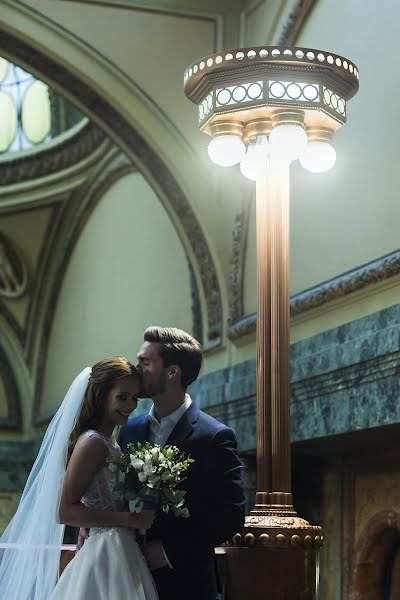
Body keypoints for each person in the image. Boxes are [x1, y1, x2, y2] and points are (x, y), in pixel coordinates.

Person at [0, 357, 158, 600]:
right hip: (105, 552)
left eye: (135, 397)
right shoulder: (93, 442)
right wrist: (129, 519)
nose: (130, 405)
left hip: (121, 549)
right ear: (101, 396)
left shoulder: (110, 442)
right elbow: (64, 511)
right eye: (122, 397)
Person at [119, 326, 245, 600]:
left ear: (172, 372)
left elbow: (231, 514)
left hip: (185, 585)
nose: (136, 368)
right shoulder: (129, 429)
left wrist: (169, 552)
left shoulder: (215, 437)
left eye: (145, 362)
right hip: (127, 578)